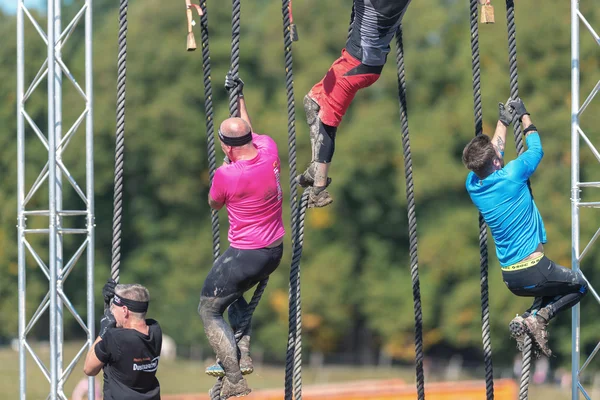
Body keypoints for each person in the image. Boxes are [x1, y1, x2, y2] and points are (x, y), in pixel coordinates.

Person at [462, 97, 588, 357]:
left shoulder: (473, 185)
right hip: (535, 269)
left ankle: (527, 318)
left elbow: (494, 153)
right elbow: (536, 149)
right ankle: (541, 318)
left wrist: (503, 122)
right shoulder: (513, 174)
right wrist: (525, 116)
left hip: (511, 278)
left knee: (548, 289)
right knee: (579, 285)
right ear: (496, 162)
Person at [199, 73, 285, 399]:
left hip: (246, 254)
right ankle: (242, 350)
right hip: (273, 249)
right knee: (229, 293)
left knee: (208, 309)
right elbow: (248, 130)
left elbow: (213, 204)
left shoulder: (227, 175)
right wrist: (240, 99)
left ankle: (235, 379)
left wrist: (224, 169)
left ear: (224, 145)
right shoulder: (269, 150)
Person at [298, 0, 413, 208]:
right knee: (312, 101)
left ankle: (319, 187)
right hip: (369, 66)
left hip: (355, 66)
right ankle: (316, 166)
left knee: (326, 117)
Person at [83, 281, 162, 400]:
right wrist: (115, 298)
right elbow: (133, 328)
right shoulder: (155, 330)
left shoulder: (114, 338)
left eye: (113, 308)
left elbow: (89, 369)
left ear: (125, 310)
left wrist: (104, 331)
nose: (112, 312)